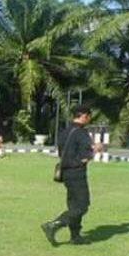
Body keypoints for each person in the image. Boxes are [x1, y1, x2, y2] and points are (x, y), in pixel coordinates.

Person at [41, 105, 98, 245]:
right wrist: (95, 150)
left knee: (74, 205)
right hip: (77, 173)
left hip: (65, 173)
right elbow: (85, 157)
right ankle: (54, 224)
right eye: (89, 116)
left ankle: (75, 236)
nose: (89, 119)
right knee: (82, 205)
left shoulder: (64, 131)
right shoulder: (82, 133)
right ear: (84, 116)